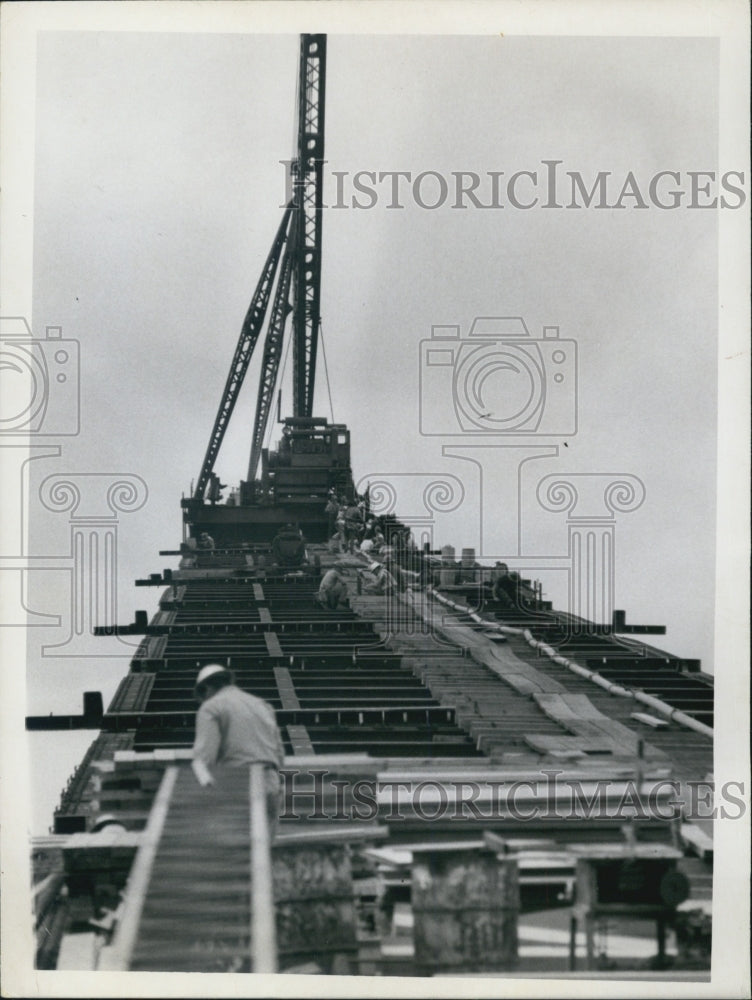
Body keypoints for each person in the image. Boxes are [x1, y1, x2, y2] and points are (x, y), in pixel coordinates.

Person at [191, 664, 285, 833]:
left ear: (206, 688)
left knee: (236, 851)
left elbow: (205, 758)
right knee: (263, 851)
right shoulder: (263, 705)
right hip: (271, 784)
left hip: (239, 783)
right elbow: (280, 756)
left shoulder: (211, 707)